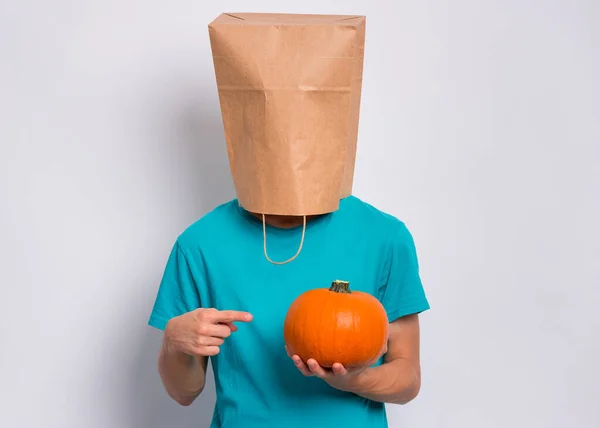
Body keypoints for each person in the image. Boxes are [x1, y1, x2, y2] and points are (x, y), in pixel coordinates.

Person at [147, 12, 430, 428]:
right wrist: (174, 343)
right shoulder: (199, 245)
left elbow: (407, 379)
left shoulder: (385, 237)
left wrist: (354, 380)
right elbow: (184, 392)